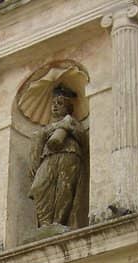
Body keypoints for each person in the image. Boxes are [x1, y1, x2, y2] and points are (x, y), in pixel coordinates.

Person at [28, 85, 87, 228]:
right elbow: (36, 148)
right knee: (38, 188)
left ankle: (59, 223)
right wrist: (33, 166)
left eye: (60, 103)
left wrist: (68, 127)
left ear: (68, 108)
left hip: (69, 154)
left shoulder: (71, 122)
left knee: (64, 188)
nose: (55, 106)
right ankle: (45, 226)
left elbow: (83, 140)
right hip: (48, 158)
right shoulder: (46, 128)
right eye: (53, 103)